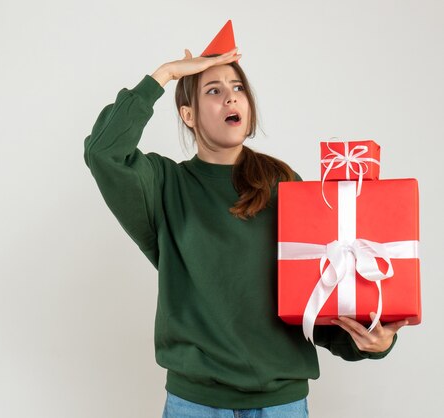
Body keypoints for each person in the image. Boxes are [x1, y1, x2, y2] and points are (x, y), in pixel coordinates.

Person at [83, 23, 408, 418]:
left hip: (280, 404)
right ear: (188, 114)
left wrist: (369, 341)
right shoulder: (165, 186)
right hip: (195, 404)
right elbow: (103, 153)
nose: (230, 98)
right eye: (213, 91)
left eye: (237, 88)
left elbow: (313, 297)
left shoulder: (283, 183)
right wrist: (164, 75)